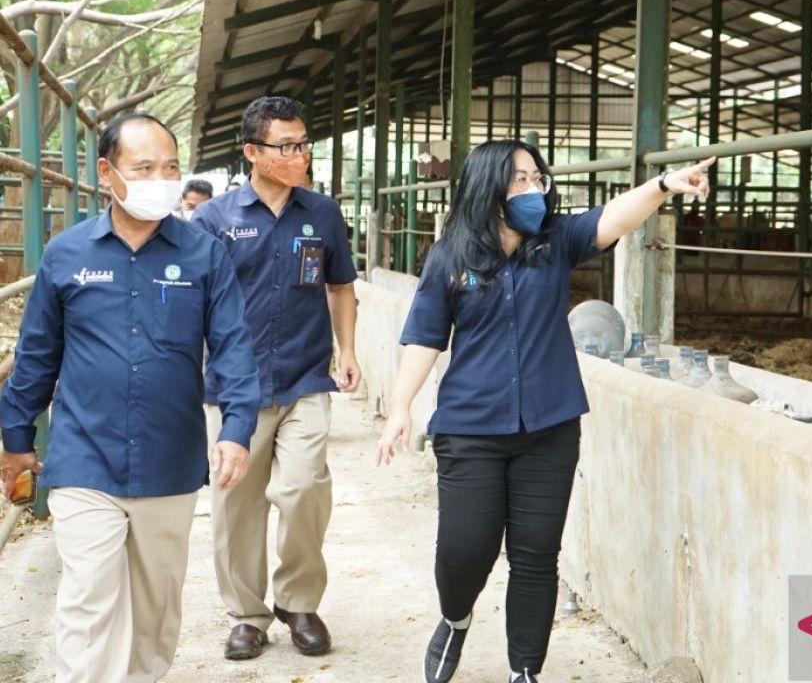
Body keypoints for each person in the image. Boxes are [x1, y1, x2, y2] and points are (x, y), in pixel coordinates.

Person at [376, 139, 714, 683]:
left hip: (549, 428)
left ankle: (525, 670)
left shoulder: (555, 242)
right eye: (520, 180)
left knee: (535, 557)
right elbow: (424, 337)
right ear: (489, 188)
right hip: (471, 428)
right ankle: (455, 617)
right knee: (465, 550)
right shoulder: (451, 254)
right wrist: (399, 407)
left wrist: (662, 186)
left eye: (538, 178)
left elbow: (611, 218)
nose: (534, 189)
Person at [0, 113, 260, 682]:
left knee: (155, 612)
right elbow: (37, 355)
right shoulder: (67, 256)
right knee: (89, 604)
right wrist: (16, 439)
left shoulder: (204, 254)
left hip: (169, 459)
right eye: (144, 168)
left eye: (170, 167)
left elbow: (234, 348)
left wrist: (238, 429)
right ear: (107, 172)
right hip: (84, 458)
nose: (160, 180)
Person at [191, 95, 360, 661]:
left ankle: (299, 600)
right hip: (236, 389)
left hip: (306, 376)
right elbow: (195, 305)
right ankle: (247, 615)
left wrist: (348, 349)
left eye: (303, 143)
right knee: (235, 506)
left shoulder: (322, 212)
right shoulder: (214, 220)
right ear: (252, 152)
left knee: (303, 487)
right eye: (286, 146)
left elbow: (339, 286)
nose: (299, 155)